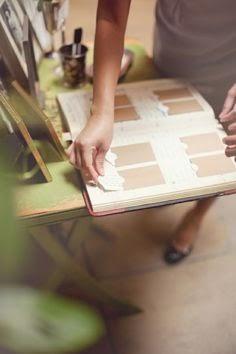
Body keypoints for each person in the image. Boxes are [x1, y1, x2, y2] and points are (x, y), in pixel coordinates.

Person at [67, 0, 236, 264]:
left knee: (219, 144)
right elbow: (112, 13)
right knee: (169, 109)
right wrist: (101, 112)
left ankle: (197, 214)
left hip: (228, 64)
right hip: (172, 43)